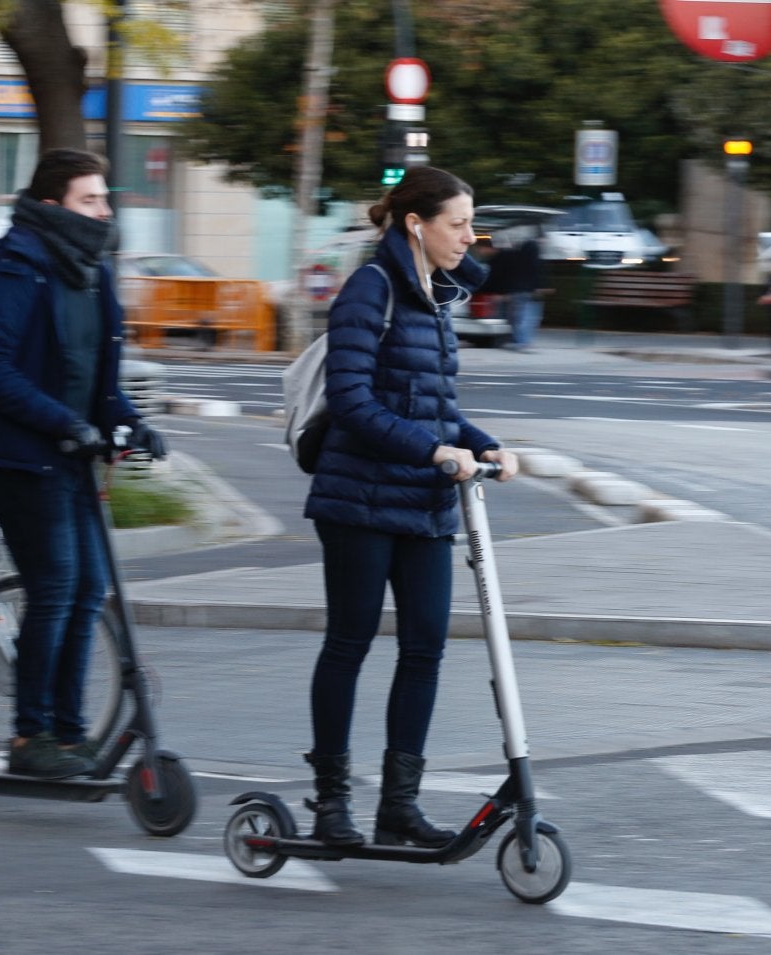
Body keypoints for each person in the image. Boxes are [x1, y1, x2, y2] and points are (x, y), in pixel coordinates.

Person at [301, 166, 519, 848]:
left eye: (471, 222)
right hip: (360, 498)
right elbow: (352, 400)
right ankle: (331, 803)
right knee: (350, 642)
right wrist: (432, 452)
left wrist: (487, 445)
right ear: (415, 225)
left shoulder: (433, 292)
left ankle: (399, 804)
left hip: (425, 502)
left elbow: (437, 404)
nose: (468, 236)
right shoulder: (370, 289)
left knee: (425, 647)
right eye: (457, 223)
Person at [0, 148, 168, 779]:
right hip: (18, 459)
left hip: (71, 456)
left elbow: (96, 382)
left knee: (86, 592)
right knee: (56, 588)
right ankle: (31, 737)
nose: (104, 211)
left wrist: (129, 421)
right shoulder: (14, 266)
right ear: (51, 206)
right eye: (90, 200)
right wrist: (65, 424)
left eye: (105, 199)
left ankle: (70, 735)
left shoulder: (91, 271)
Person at [485, 225, 546, 351]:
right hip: (523, 288)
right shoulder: (531, 248)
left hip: (516, 288)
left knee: (515, 316)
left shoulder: (515, 250)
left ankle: (517, 340)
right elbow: (534, 268)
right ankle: (520, 341)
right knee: (520, 316)